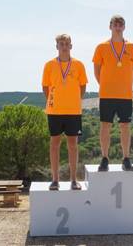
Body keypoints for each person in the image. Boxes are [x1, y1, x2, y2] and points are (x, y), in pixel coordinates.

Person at [92, 15, 133, 171]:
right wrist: (106, 85)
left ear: (124, 27)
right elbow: (97, 71)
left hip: (125, 94)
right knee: (105, 125)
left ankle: (126, 158)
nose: (118, 27)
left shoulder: (132, 47)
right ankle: (105, 158)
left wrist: (125, 84)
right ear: (110, 26)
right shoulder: (101, 47)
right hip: (107, 94)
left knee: (125, 126)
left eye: (121, 24)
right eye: (115, 24)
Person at [42, 34, 88, 190]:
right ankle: (55, 180)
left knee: (73, 145)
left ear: (71, 46)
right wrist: (54, 101)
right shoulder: (49, 65)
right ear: (57, 46)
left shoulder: (79, 65)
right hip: (54, 111)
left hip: (73, 111)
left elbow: (82, 87)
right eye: (61, 43)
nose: (64, 46)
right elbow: (45, 87)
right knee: (54, 144)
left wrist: (73, 100)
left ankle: (74, 180)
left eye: (67, 43)